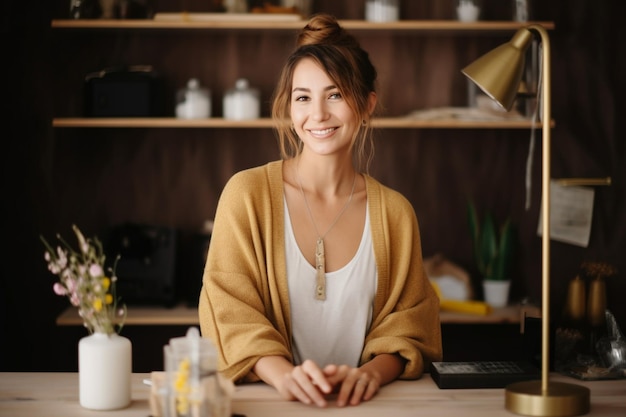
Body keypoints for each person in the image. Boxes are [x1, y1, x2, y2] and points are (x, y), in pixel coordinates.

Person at [198, 13, 442, 408]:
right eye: (303, 97)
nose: (318, 114)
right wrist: (286, 377)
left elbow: (411, 326)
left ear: (366, 105)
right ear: (289, 107)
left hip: (368, 406)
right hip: (270, 406)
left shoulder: (396, 214)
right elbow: (228, 309)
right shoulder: (246, 195)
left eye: (335, 94)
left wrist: (367, 376)